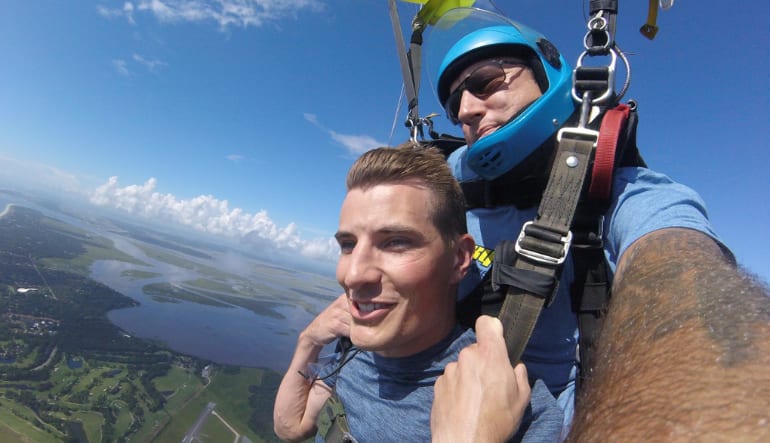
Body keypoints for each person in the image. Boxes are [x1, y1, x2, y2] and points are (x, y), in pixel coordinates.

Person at [424, 6, 770, 442]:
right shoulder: (453, 178)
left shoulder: (626, 195)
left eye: (487, 83)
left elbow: (689, 288)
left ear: (546, 76)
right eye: (455, 103)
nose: (466, 111)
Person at [273, 144, 563, 442]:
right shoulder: (355, 350)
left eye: (396, 242)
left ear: (460, 259)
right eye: (348, 245)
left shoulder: (507, 399)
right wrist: (308, 341)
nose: (353, 275)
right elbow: (291, 427)